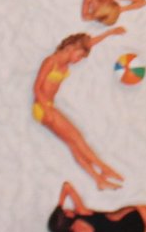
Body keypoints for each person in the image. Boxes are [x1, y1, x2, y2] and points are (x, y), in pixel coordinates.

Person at [32, 30, 126, 190]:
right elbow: (36, 88)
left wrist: (110, 33)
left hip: (48, 107)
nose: (79, 60)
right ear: (72, 47)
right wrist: (47, 110)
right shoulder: (51, 61)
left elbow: (88, 43)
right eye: (80, 56)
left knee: (74, 144)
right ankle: (104, 168)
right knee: (77, 138)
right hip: (42, 107)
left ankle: (99, 179)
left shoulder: (66, 62)